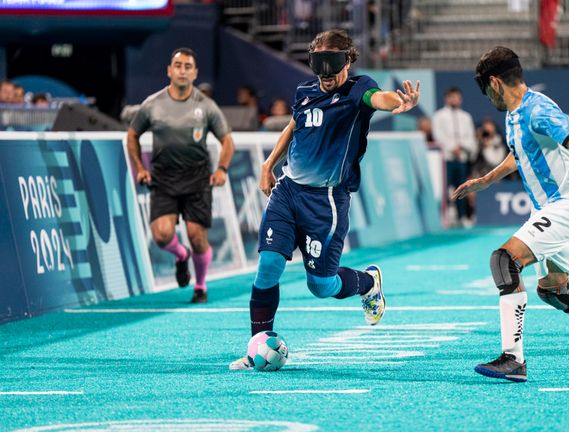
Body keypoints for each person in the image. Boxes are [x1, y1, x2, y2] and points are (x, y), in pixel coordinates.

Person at [229, 29, 420, 370]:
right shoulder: (304, 91)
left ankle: (368, 282)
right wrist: (268, 164)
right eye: (319, 63)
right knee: (269, 265)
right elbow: (294, 126)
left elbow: (380, 99)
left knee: (320, 285)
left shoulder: (358, 89)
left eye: (333, 63)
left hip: (326, 201)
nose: (326, 72)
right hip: (287, 192)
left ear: (348, 59)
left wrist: (399, 103)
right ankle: (257, 345)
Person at [453, 47, 569, 382]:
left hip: (568, 204)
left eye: (485, 89)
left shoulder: (537, 109)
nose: (486, 96)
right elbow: (519, 153)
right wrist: (486, 181)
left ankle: (513, 359)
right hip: (549, 207)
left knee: (504, 260)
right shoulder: (514, 113)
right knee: (553, 289)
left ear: (494, 81)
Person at [127, 47, 235, 304]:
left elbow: (227, 141)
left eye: (188, 66)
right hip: (163, 178)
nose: (183, 70)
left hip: (197, 178)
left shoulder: (207, 106)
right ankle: (181, 255)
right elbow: (132, 135)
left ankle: (200, 286)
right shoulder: (152, 105)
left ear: (195, 73)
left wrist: (221, 169)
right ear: (169, 70)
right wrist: (140, 169)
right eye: (178, 65)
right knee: (162, 235)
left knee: (198, 236)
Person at [432, 87, 477, 227]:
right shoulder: (439, 116)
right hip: (446, 159)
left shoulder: (466, 117)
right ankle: (443, 218)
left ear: (460, 99)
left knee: (461, 189)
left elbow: (471, 137)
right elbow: (438, 135)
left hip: (462, 158)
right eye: (452, 97)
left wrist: (462, 147)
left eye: (457, 97)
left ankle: (462, 217)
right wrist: (452, 147)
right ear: (446, 98)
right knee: (444, 189)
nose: (454, 99)